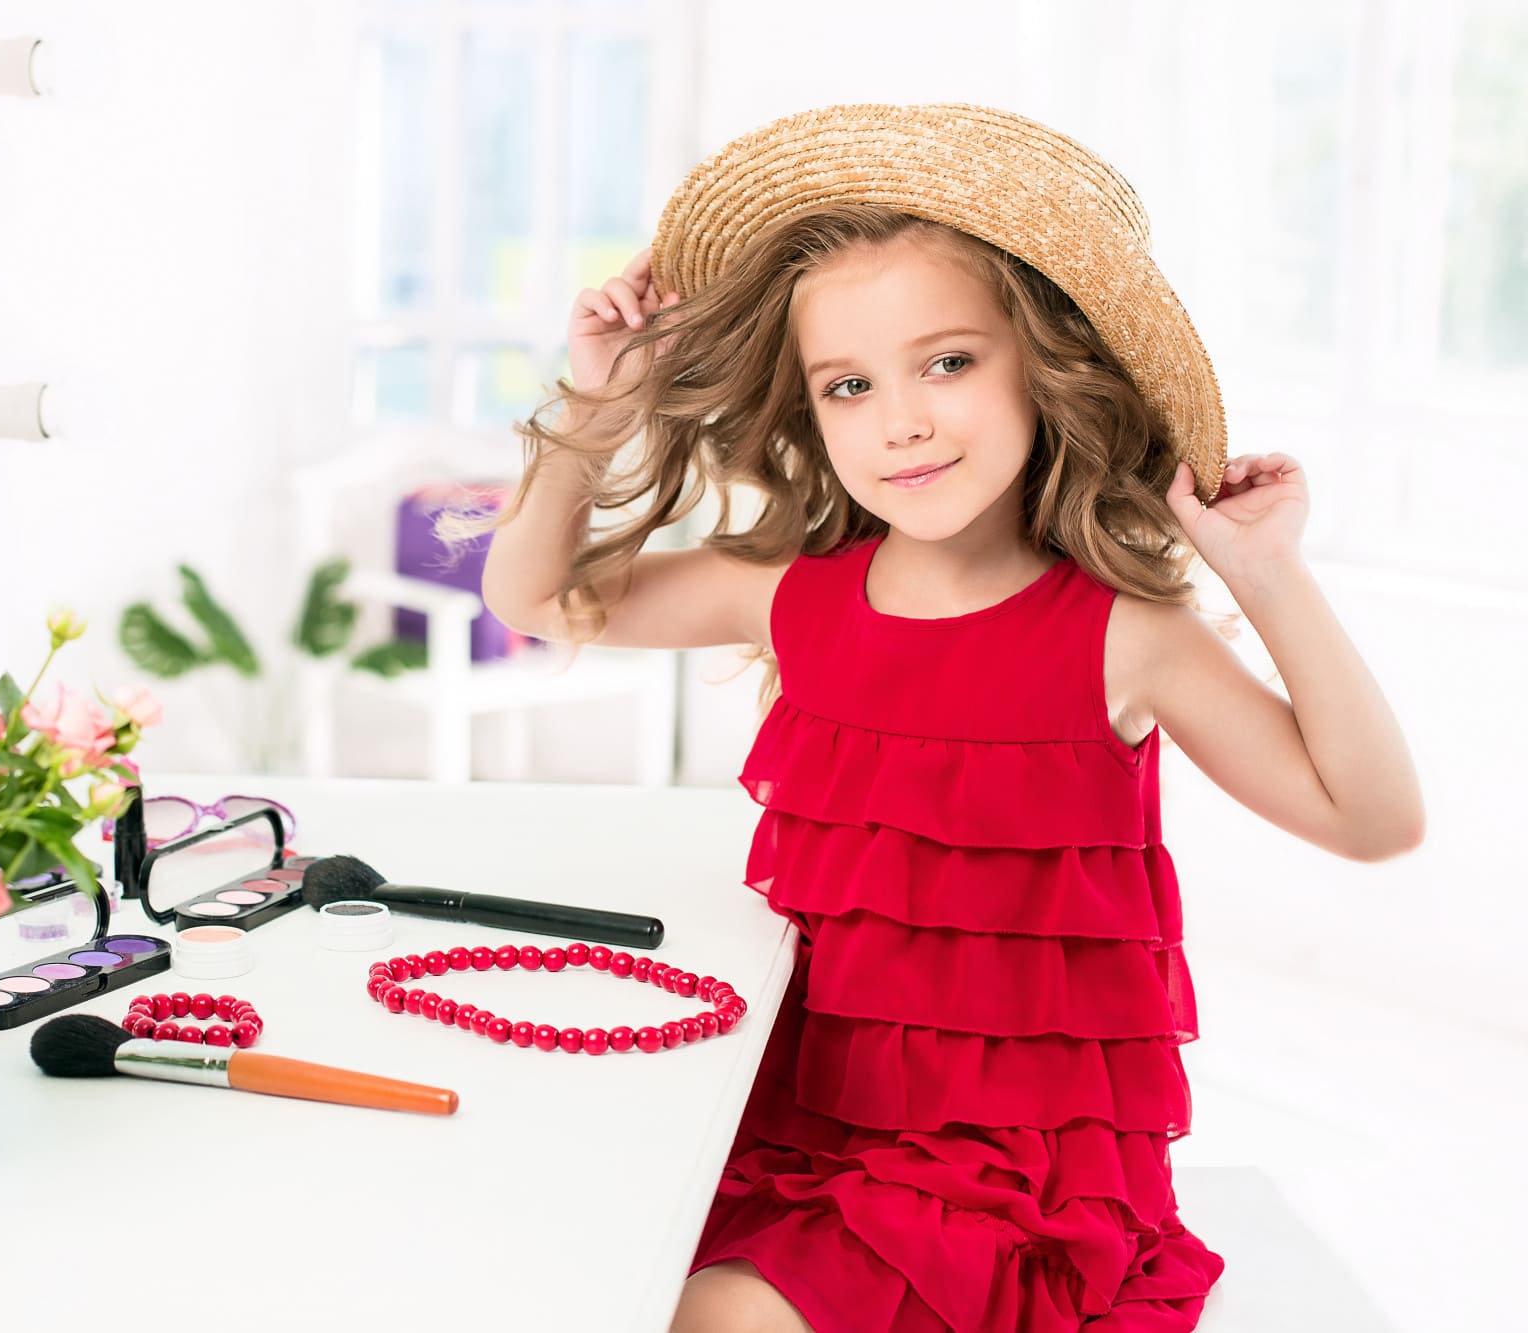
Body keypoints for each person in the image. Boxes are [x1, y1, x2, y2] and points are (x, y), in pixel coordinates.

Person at [478, 105, 1424, 1332]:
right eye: (848, 385)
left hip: (1010, 1174)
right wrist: (596, 406)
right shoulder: (793, 598)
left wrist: (1267, 576)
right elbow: (539, 597)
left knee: (708, 1316)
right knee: (557, 1259)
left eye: (947, 362)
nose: (900, 420)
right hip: (797, 1125)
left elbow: (1373, 820)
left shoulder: (1124, 636)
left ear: (1044, 364)